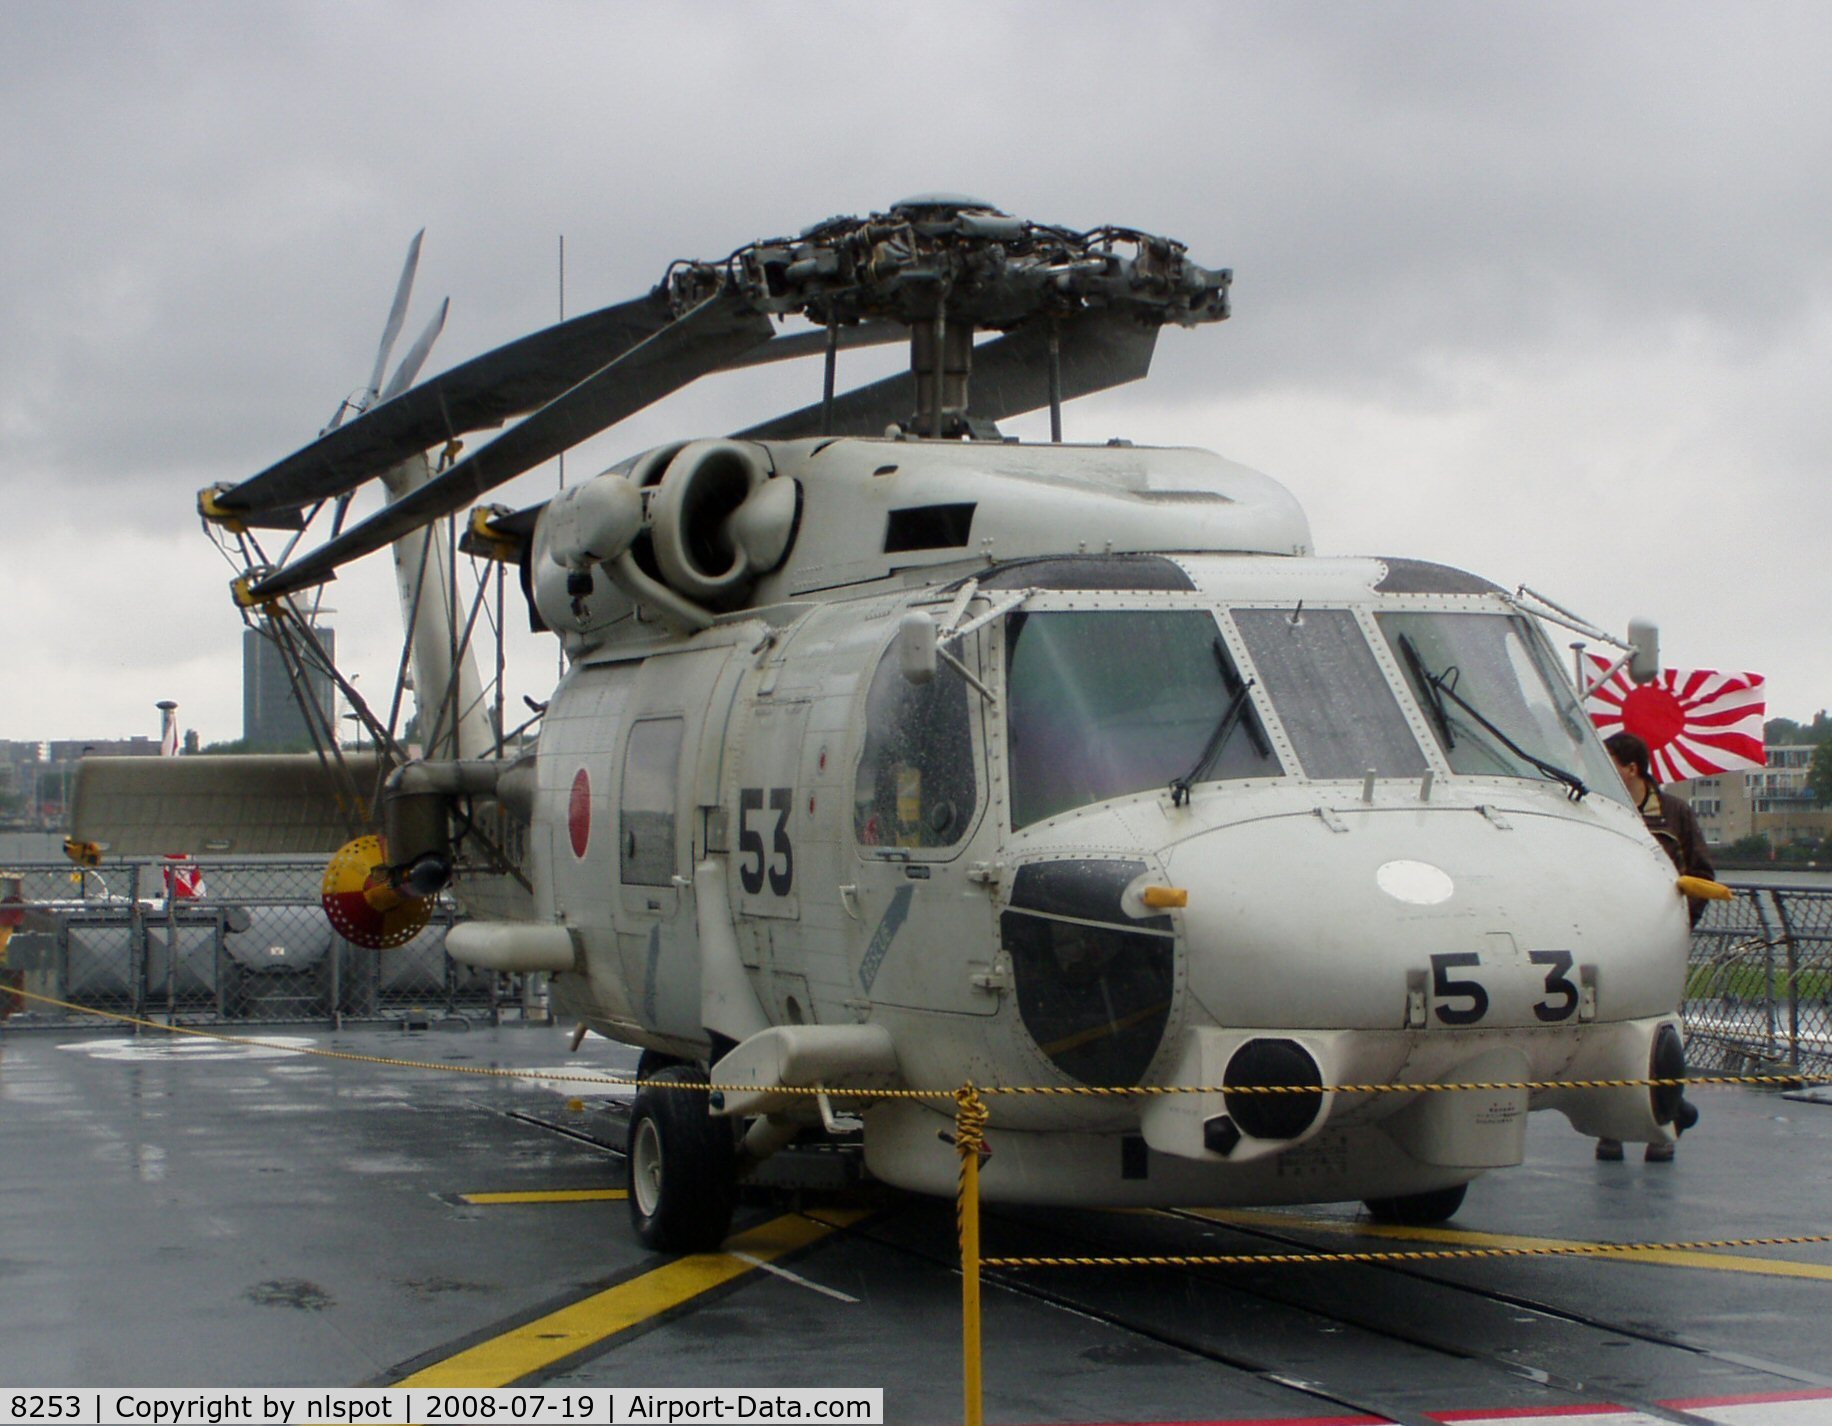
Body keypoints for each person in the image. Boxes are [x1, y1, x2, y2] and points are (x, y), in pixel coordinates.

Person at [1596, 730, 1708, 1163]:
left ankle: (1664, 1125)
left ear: (1631, 768)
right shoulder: (1602, 813)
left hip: (1659, 944)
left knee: (1662, 1034)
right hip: (1612, 941)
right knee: (1609, 1031)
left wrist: (1681, 925)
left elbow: (1702, 873)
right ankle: (1611, 1127)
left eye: (1610, 763)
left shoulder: (1675, 814)